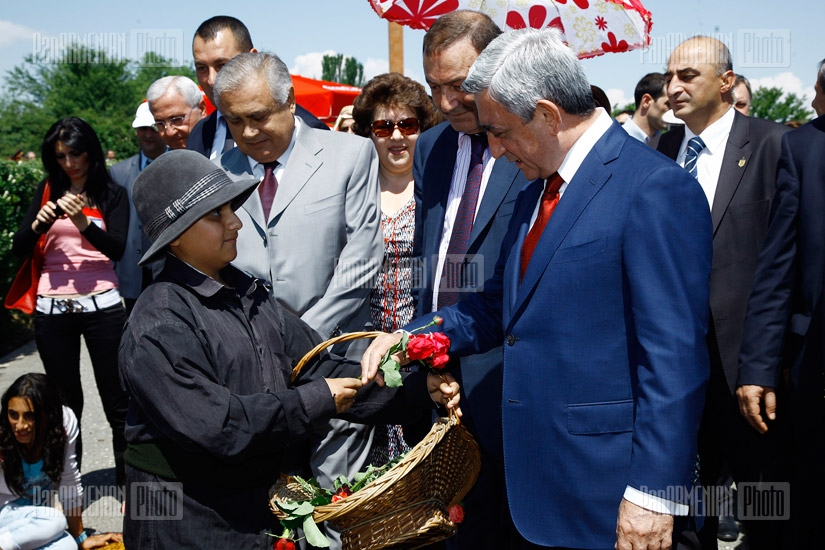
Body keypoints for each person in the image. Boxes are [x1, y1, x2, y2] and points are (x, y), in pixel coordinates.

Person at [362, 27, 713, 550]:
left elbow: (675, 358)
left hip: (613, 494)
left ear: (548, 115)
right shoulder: (534, 194)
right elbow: (494, 307)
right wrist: (411, 338)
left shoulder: (653, 188)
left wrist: (652, 494)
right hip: (537, 487)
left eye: (500, 132)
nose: (496, 152)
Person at [119, 149, 459, 549]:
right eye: (215, 214)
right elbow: (219, 426)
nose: (235, 222)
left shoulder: (250, 295)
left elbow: (323, 369)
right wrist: (315, 400)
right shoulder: (158, 322)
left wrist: (418, 390)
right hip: (184, 520)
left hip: (254, 510)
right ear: (175, 237)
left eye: (231, 208)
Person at [213, 51, 383, 548]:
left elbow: (362, 257)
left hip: (334, 360)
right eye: (234, 121)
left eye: (258, 117)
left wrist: (302, 339)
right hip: (251, 373)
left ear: (289, 103)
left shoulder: (350, 154)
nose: (246, 133)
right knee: (272, 502)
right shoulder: (216, 169)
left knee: (337, 501)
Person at [657, 36, 790, 550]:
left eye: (687, 76)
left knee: (766, 509)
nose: (673, 88)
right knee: (689, 513)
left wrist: (761, 366)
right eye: (669, 77)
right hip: (678, 370)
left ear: (726, 82)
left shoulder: (775, 146)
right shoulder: (663, 150)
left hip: (751, 377)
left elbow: (785, 270)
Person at [412, 10, 534, 550]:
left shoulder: (533, 148)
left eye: (459, 86)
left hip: (512, 383)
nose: (444, 103)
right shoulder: (431, 148)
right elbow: (431, 260)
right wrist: (428, 355)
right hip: (442, 378)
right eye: (434, 87)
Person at [11, 117, 130, 488]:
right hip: (53, 308)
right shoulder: (47, 189)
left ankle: (129, 485)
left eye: (75, 153)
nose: (69, 163)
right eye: (60, 155)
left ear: (90, 152)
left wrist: (83, 222)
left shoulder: (112, 194)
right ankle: (68, 485)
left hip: (103, 307)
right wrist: (39, 225)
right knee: (64, 404)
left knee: (117, 401)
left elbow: (118, 249)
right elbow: (18, 248)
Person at [737, 59, 825, 548]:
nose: (812, 101)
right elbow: (777, 270)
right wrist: (758, 368)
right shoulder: (804, 148)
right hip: (813, 371)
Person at [351, 72, 436, 463]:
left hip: (418, 350)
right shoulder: (352, 189)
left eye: (408, 124)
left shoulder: (436, 192)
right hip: (356, 352)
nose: (397, 136)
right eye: (384, 126)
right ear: (369, 132)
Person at [0, 373, 123, 550]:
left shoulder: (64, 424)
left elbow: (69, 482)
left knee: (68, 546)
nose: (20, 426)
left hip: (34, 520)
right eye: (13, 415)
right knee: (55, 519)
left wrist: (80, 538)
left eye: (29, 416)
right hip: (7, 514)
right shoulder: (3, 433)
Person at [188, 15, 327, 159]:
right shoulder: (199, 133)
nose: (211, 80)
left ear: (252, 57)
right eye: (202, 68)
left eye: (222, 65)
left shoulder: (311, 131)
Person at [110, 101, 167, 314]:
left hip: (169, 267)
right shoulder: (118, 173)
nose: (149, 134)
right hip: (132, 270)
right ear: (136, 131)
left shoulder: (179, 165)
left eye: (154, 128)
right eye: (143, 128)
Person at [147, 75, 206, 150]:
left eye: (177, 119)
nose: (170, 132)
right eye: (160, 123)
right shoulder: (163, 161)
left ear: (201, 109)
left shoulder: (222, 153)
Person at [622, 72, 669, 145]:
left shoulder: (668, 144)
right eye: (668, 104)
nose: (673, 111)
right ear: (646, 101)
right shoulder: (616, 140)